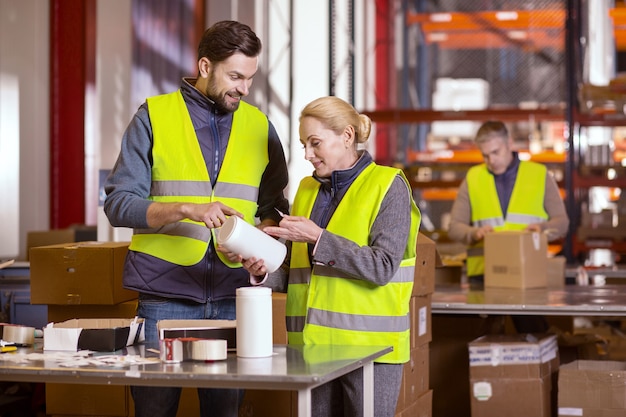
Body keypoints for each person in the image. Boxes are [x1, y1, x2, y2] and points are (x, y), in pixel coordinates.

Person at [104, 20, 289, 417]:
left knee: (225, 411)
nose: (244, 88)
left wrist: (261, 254)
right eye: (235, 76)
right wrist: (187, 209)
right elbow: (118, 204)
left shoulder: (260, 127)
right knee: (154, 410)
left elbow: (275, 210)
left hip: (231, 297)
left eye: (250, 78)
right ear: (205, 67)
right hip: (164, 296)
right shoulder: (153, 116)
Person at [240, 96, 421, 417]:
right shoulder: (307, 189)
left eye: (315, 143)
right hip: (312, 350)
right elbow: (301, 273)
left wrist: (317, 237)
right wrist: (262, 270)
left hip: (371, 352)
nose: (308, 154)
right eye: (303, 145)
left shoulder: (388, 186)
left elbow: (382, 267)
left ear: (347, 136)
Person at [447, 120, 569, 331]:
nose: (491, 160)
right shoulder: (474, 177)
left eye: (496, 152)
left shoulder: (539, 175)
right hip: (483, 277)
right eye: (485, 155)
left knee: (533, 338)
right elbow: (454, 227)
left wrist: (541, 230)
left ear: (510, 143)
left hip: (527, 274)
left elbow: (562, 223)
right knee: (485, 344)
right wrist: (474, 232)